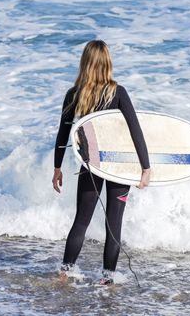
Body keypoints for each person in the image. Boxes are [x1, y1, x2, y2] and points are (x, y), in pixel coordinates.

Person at [52, 40, 150, 285]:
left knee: (82, 220)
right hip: (118, 166)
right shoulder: (118, 92)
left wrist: (57, 168)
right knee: (113, 222)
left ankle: (65, 271)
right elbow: (135, 131)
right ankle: (107, 278)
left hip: (91, 164)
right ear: (108, 62)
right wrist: (145, 167)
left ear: (85, 63)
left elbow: (63, 135)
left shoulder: (74, 94)